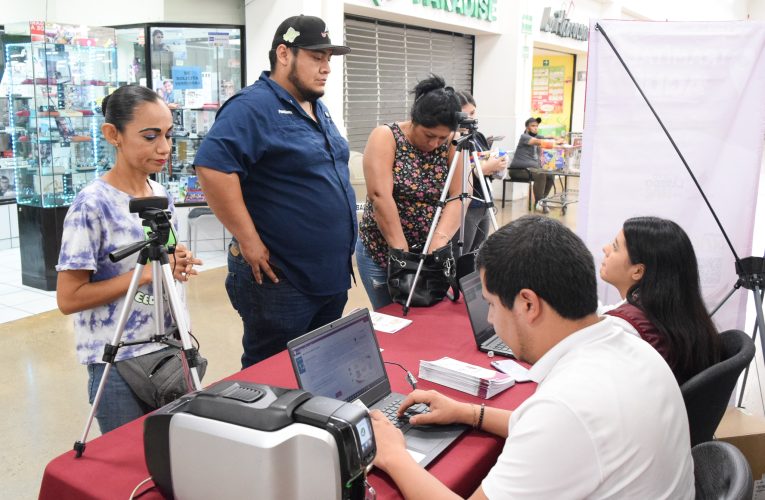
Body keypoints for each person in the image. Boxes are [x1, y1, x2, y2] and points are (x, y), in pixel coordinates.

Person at [370, 215, 694, 499]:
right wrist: (467, 412)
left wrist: (394, 455)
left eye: (492, 305)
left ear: (528, 304)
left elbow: (560, 423)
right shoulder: (631, 347)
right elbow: (543, 427)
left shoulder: (567, 406)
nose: (489, 320)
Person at [193, 15, 356, 369]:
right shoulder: (252, 107)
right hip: (282, 280)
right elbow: (213, 167)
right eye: (316, 57)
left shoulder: (316, 106)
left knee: (319, 368)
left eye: (328, 58)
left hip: (328, 274)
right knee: (272, 374)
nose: (326, 67)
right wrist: (247, 238)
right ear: (284, 54)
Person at [56, 85, 202, 434]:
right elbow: (69, 298)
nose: (164, 148)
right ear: (113, 135)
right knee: (126, 462)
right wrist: (147, 274)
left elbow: (165, 259)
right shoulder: (92, 205)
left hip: (170, 349)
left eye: (168, 134)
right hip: (118, 361)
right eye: (150, 136)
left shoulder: (161, 195)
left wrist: (174, 262)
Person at [357, 74, 463, 310]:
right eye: (429, 135)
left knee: (426, 322)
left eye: (442, 138)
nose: (435, 144)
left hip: (430, 254)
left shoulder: (453, 143)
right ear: (414, 119)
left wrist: (438, 242)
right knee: (392, 319)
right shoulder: (386, 137)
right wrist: (402, 256)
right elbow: (379, 196)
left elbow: (458, 196)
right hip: (383, 251)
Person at [600, 216, 721, 384]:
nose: (605, 249)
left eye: (615, 247)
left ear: (638, 271)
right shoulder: (680, 313)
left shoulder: (624, 328)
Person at [449, 90, 507, 254]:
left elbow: (486, 168)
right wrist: (485, 168)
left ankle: (474, 280)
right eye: (464, 115)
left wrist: (496, 164)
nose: (470, 119)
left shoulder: (478, 136)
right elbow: (453, 174)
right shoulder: (452, 140)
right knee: (461, 253)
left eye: (473, 112)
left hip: (484, 202)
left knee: (479, 252)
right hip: (464, 206)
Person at [508, 117, 561, 214]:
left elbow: (546, 138)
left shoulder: (538, 137)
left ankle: (542, 201)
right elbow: (538, 142)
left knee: (550, 174)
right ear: (527, 128)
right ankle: (539, 202)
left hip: (531, 170)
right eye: (533, 126)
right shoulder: (524, 137)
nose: (535, 128)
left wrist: (556, 138)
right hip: (518, 170)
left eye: (537, 126)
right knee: (540, 174)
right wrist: (555, 143)